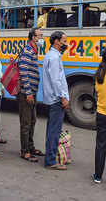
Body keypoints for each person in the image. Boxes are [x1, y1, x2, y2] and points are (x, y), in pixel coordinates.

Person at [43, 31, 69, 170]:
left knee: (51, 130)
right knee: (54, 130)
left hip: (53, 98)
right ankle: (50, 160)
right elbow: (56, 81)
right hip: (56, 99)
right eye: (64, 41)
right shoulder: (53, 57)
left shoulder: (54, 55)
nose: (66, 44)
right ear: (56, 41)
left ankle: (50, 156)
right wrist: (63, 97)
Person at [17, 28, 45, 162]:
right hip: (25, 93)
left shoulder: (34, 50)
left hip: (31, 93)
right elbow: (23, 72)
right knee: (26, 123)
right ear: (33, 37)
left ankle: (31, 147)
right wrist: (28, 92)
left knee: (32, 121)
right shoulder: (28, 50)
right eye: (40, 36)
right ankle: (25, 151)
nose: (41, 38)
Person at [94, 49, 106, 183]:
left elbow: (97, 93)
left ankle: (98, 176)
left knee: (101, 146)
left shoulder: (99, 74)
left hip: (102, 114)